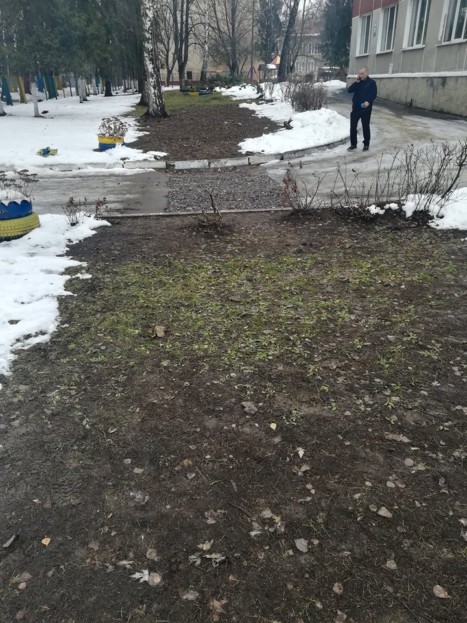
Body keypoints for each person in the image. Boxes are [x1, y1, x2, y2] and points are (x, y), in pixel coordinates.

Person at [347, 67, 377, 152]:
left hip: (365, 109)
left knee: (365, 126)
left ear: (367, 73)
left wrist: (369, 101)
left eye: (362, 73)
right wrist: (355, 83)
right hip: (356, 108)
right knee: (353, 126)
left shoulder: (371, 83)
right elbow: (349, 90)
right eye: (359, 73)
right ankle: (353, 144)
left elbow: (373, 94)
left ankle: (366, 144)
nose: (360, 75)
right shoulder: (358, 82)